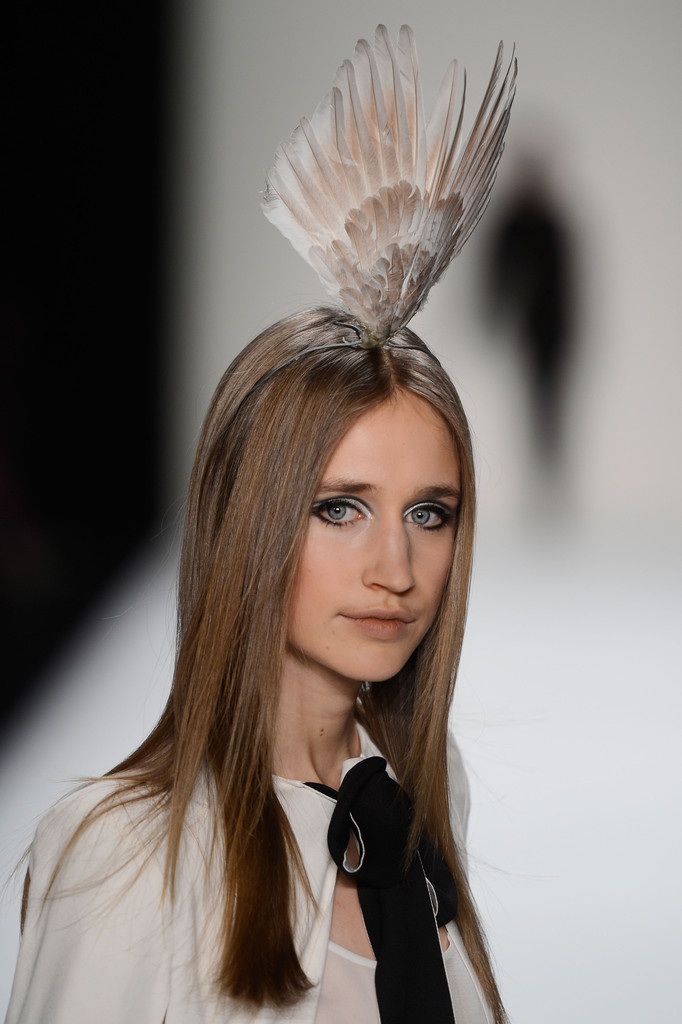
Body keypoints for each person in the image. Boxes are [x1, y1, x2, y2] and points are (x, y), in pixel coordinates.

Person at [5, 25, 516, 1024]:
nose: (397, 566)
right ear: (251, 520)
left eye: (430, 512)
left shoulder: (420, 795)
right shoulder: (119, 858)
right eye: (339, 508)